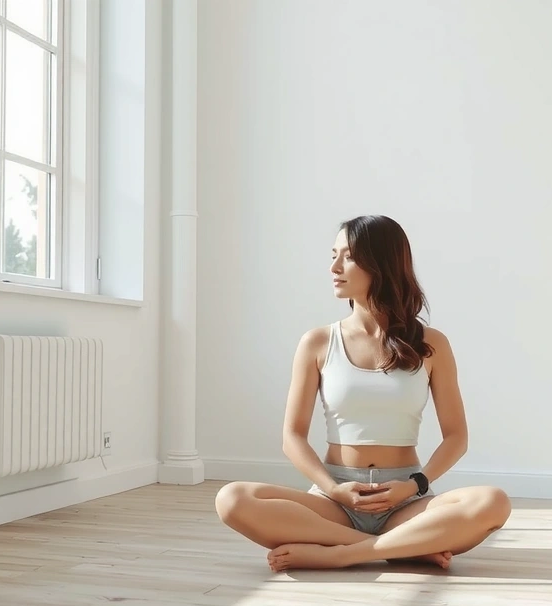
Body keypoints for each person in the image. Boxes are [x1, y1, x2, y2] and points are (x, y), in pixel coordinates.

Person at [214, 215, 512, 572]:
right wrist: (334, 489)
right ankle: (403, 546)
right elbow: (292, 437)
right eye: (333, 255)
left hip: (405, 501)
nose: (334, 267)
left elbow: (456, 437)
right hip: (334, 502)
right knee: (232, 499)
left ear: (381, 264)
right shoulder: (317, 342)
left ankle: (341, 553)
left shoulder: (431, 345)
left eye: (349, 257)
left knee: (493, 502)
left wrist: (413, 486)